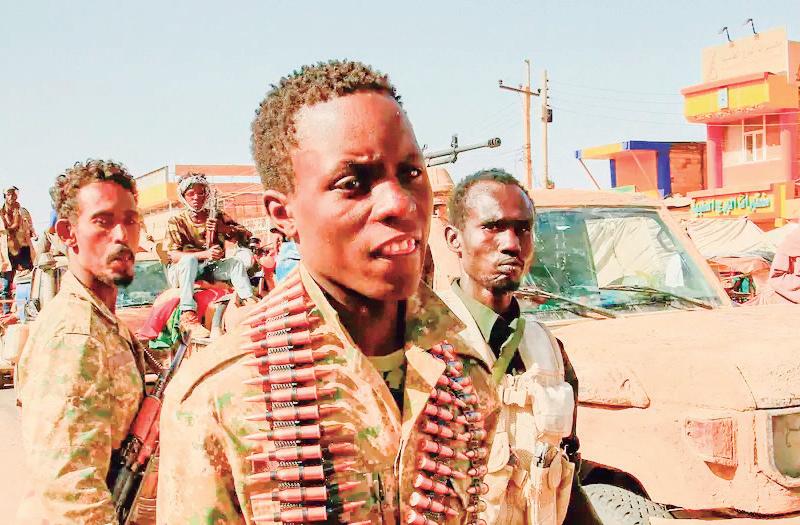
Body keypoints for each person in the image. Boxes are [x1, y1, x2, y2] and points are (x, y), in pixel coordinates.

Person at [157, 60, 504, 524]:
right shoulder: (218, 396)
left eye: (410, 173)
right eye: (353, 184)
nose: (399, 203)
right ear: (283, 215)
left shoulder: (463, 365)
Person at [437, 168, 602, 524]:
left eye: (522, 229)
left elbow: (565, 479)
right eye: (492, 227)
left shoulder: (550, 352)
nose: (511, 244)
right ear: (454, 239)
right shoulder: (421, 343)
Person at [16, 160, 146, 523]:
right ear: (67, 233)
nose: (121, 236)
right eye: (103, 221)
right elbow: (70, 490)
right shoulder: (73, 336)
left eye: (130, 221)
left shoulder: (102, 322)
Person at [162, 172, 256, 338]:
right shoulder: (176, 221)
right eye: (191, 193)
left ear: (207, 195)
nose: (196, 197)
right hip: (182, 271)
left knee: (235, 263)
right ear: (183, 196)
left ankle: (249, 301)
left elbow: (247, 235)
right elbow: (173, 255)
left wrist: (223, 228)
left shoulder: (217, 216)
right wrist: (205, 254)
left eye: (201, 193)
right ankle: (187, 314)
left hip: (209, 269)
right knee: (189, 260)